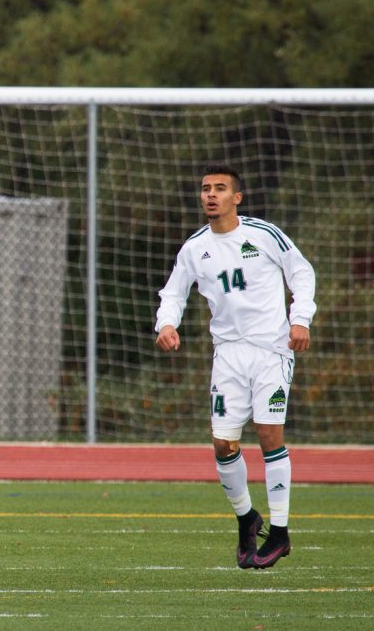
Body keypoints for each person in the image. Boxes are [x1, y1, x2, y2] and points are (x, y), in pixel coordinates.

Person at [154, 164, 315, 569]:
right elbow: (173, 292)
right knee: (223, 444)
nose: (211, 195)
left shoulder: (263, 234)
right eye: (206, 189)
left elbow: (301, 271)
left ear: (236, 198)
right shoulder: (194, 248)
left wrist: (301, 319)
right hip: (227, 354)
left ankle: (279, 532)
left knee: (267, 435)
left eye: (220, 189)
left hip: (270, 350)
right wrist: (166, 323)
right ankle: (247, 518)